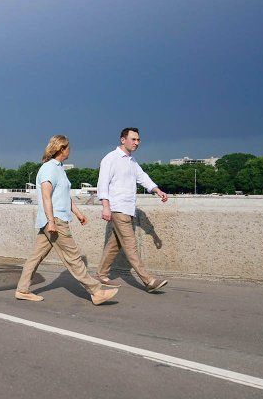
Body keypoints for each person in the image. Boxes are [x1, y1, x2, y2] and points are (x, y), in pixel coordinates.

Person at [15, 135, 118, 305]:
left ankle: (22, 290)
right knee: (73, 257)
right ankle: (96, 291)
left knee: (35, 257)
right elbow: (46, 197)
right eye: (68, 147)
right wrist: (51, 221)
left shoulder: (59, 168)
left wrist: (78, 214)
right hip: (55, 219)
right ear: (61, 148)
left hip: (54, 218)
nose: (70, 150)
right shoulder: (49, 169)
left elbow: (63, 197)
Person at [94, 127, 169, 292]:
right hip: (117, 208)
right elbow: (102, 184)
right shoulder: (110, 158)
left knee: (114, 245)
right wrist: (106, 207)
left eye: (138, 140)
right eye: (133, 139)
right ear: (123, 140)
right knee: (130, 245)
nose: (137, 143)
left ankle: (101, 275)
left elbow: (143, 177)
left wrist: (158, 190)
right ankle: (148, 281)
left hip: (128, 209)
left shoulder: (132, 161)